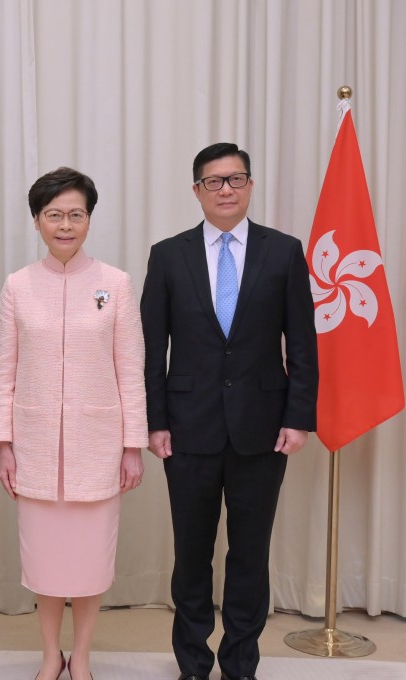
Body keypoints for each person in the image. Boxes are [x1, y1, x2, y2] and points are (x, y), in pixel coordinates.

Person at [140, 143, 318, 680]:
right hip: (186, 431)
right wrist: (155, 421)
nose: (225, 190)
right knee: (192, 556)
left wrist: (299, 416)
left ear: (250, 186)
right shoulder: (168, 255)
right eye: (213, 182)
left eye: (235, 179)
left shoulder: (283, 251)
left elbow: (303, 344)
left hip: (263, 430)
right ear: (196, 190)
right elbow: (152, 348)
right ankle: (192, 663)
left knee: (249, 555)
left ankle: (241, 662)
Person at [0, 167, 148, 680]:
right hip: (34, 445)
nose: (65, 225)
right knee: (45, 563)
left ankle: (80, 655)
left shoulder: (116, 284)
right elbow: (4, 370)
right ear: (37, 221)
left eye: (75, 215)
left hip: (98, 446)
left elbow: (131, 368)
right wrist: (5, 444)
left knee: (88, 562)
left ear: (88, 220)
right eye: (54, 215)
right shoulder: (17, 286)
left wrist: (132, 445)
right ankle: (47, 654)